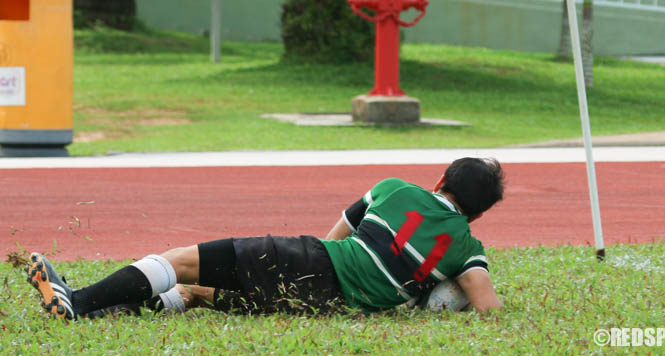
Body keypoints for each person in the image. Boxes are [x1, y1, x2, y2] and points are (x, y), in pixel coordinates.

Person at [26, 157, 505, 320]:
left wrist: (314, 259)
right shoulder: (468, 248)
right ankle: (121, 306)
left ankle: (79, 303)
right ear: (479, 213)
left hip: (318, 263)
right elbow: (489, 310)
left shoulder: (397, 189)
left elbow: (339, 231)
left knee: (181, 259)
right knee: (200, 292)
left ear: (440, 181)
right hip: (331, 306)